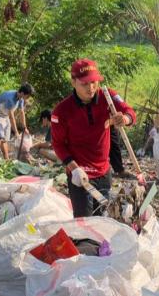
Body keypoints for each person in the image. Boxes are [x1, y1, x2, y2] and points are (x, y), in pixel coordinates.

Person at [51, 58, 136, 217]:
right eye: (84, 84)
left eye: (93, 82)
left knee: (102, 217)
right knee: (84, 222)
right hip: (80, 175)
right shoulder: (61, 111)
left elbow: (130, 111)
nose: (90, 88)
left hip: (104, 172)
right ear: (73, 82)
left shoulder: (108, 97)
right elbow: (58, 144)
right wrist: (73, 168)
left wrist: (125, 119)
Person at [0, 83, 34, 160]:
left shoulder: (21, 99)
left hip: (5, 116)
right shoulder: (10, 98)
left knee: (5, 140)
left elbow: (22, 112)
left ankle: (6, 159)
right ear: (22, 93)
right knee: (0, 137)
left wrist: (25, 128)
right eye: (27, 96)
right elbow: (11, 117)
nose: (27, 98)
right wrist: (16, 132)